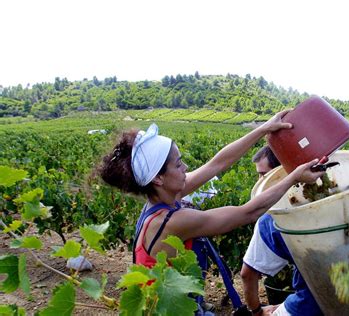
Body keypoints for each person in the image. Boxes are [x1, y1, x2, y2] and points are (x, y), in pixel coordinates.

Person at [98, 111, 325, 314]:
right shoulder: (171, 222)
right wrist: (293, 177)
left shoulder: (163, 197)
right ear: (158, 178)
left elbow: (217, 164)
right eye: (178, 165)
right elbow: (248, 212)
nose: (185, 168)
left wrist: (264, 128)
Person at [241, 146, 323, 316]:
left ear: (282, 173)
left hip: (311, 307)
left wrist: (257, 310)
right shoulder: (334, 201)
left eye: (263, 175)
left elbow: (247, 274)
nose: (260, 181)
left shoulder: (274, 219)